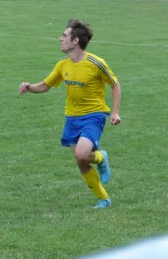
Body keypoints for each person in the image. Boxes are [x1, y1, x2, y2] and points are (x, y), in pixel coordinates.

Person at [18, 19, 122, 209]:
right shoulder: (62, 65)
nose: (60, 38)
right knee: (81, 160)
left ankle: (101, 158)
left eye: (64, 35)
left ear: (75, 41)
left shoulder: (96, 63)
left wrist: (114, 112)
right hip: (72, 118)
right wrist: (29, 87)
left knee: (83, 154)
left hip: (94, 115)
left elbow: (114, 84)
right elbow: (45, 85)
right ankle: (104, 199)